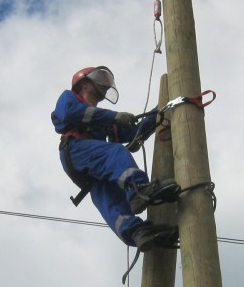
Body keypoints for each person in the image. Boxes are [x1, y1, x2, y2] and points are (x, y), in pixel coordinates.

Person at [52, 66, 180, 252]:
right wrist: (113, 116)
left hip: (88, 165)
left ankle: (138, 233)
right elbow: (71, 113)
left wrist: (160, 110)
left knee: (110, 198)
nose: (105, 86)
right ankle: (138, 189)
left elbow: (133, 132)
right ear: (84, 84)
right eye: (101, 79)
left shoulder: (102, 120)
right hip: (75, 149)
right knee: (115, 153)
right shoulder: (69, 98)